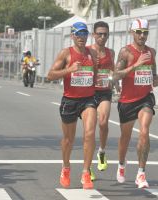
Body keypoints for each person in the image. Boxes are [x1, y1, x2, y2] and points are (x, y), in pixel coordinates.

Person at [47, 22, 97, 190]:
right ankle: (66, 167)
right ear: (72, 36)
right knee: (68, 140)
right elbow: (50, 75)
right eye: (78, 34)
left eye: (84, 34)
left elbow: (95, 74)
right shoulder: (66, 53)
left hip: (88, 99)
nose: (81, 37)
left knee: (90, 133)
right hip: (69, 100)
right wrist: (69, 70)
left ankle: (85, 172)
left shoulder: (92, 53)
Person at [112, 18, 158, 188]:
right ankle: (121, 165)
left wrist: (155, 79)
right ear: (132, 32)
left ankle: (141, 173)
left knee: (144, 131)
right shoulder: (125, 52)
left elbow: (153, 73)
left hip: (145, 98)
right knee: (125, 137)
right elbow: (115, 76)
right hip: (127, 101)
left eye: (145, 32)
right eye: (139, 32)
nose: (142, 35)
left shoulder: (151, 52)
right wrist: (135, 65)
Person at [87, 21, 120, 179]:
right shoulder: (87, 51)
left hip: (105, 92)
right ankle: (88, 167)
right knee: (90, 130)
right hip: (88, 93)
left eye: (105, 34)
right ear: (93, 35)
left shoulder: (111, 52)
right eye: (99, 34)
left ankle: (101, 152)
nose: (102, 37)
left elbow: (112, 71)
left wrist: (116, 83)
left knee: (103, 122)